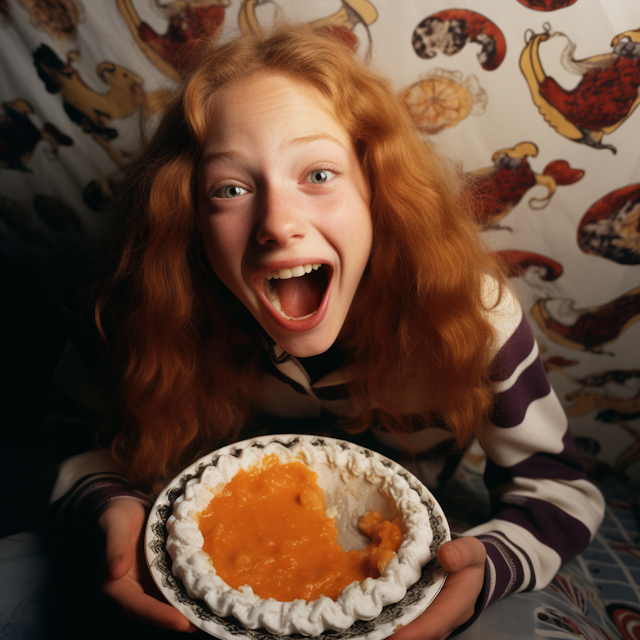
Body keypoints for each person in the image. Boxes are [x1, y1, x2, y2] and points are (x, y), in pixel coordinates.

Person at [50, 25, 605, 639]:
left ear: (376, 188)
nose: (278, 224)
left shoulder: (473, 318)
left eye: (317, 175)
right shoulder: (144, 305)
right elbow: (75, 436)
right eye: (230, 189)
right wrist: (109, 507)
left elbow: (559, 492)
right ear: (187, 213)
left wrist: (488, 567)